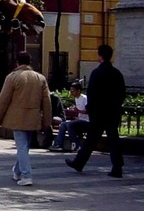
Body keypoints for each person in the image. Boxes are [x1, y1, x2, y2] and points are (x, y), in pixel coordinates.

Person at [66, 44, 126, 178]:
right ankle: (117, 167)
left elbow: (92, 93)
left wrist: (91, 109)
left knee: (91, 139)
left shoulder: (97, 73)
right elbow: (122, 93)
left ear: (100, 56)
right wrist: (116, 106)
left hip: (99, 113)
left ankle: (79, 162)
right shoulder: (117, 73)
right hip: (112, 112)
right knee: (113, 139)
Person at [0, 51, 51, 187]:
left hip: (17, 118)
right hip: (33, 117)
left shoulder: (12, 77)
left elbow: (3, 100)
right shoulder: (40, 78)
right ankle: (17, 171)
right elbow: (47, 101)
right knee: (24, 147)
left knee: (22, 147)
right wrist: (47, 121)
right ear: (30, 62)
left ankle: (26, 175)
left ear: (17, 62)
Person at [50, 82, 89, 152]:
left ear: (78, 90)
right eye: (70, 90)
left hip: (86, 121)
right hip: (79, 120)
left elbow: (89, 111)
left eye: (73, 90)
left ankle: (76, 145)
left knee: (69, 124)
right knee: (63, 124)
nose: (71, 92)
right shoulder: (76, 99)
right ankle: (58, 144)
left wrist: (78, 111)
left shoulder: (84, 98)